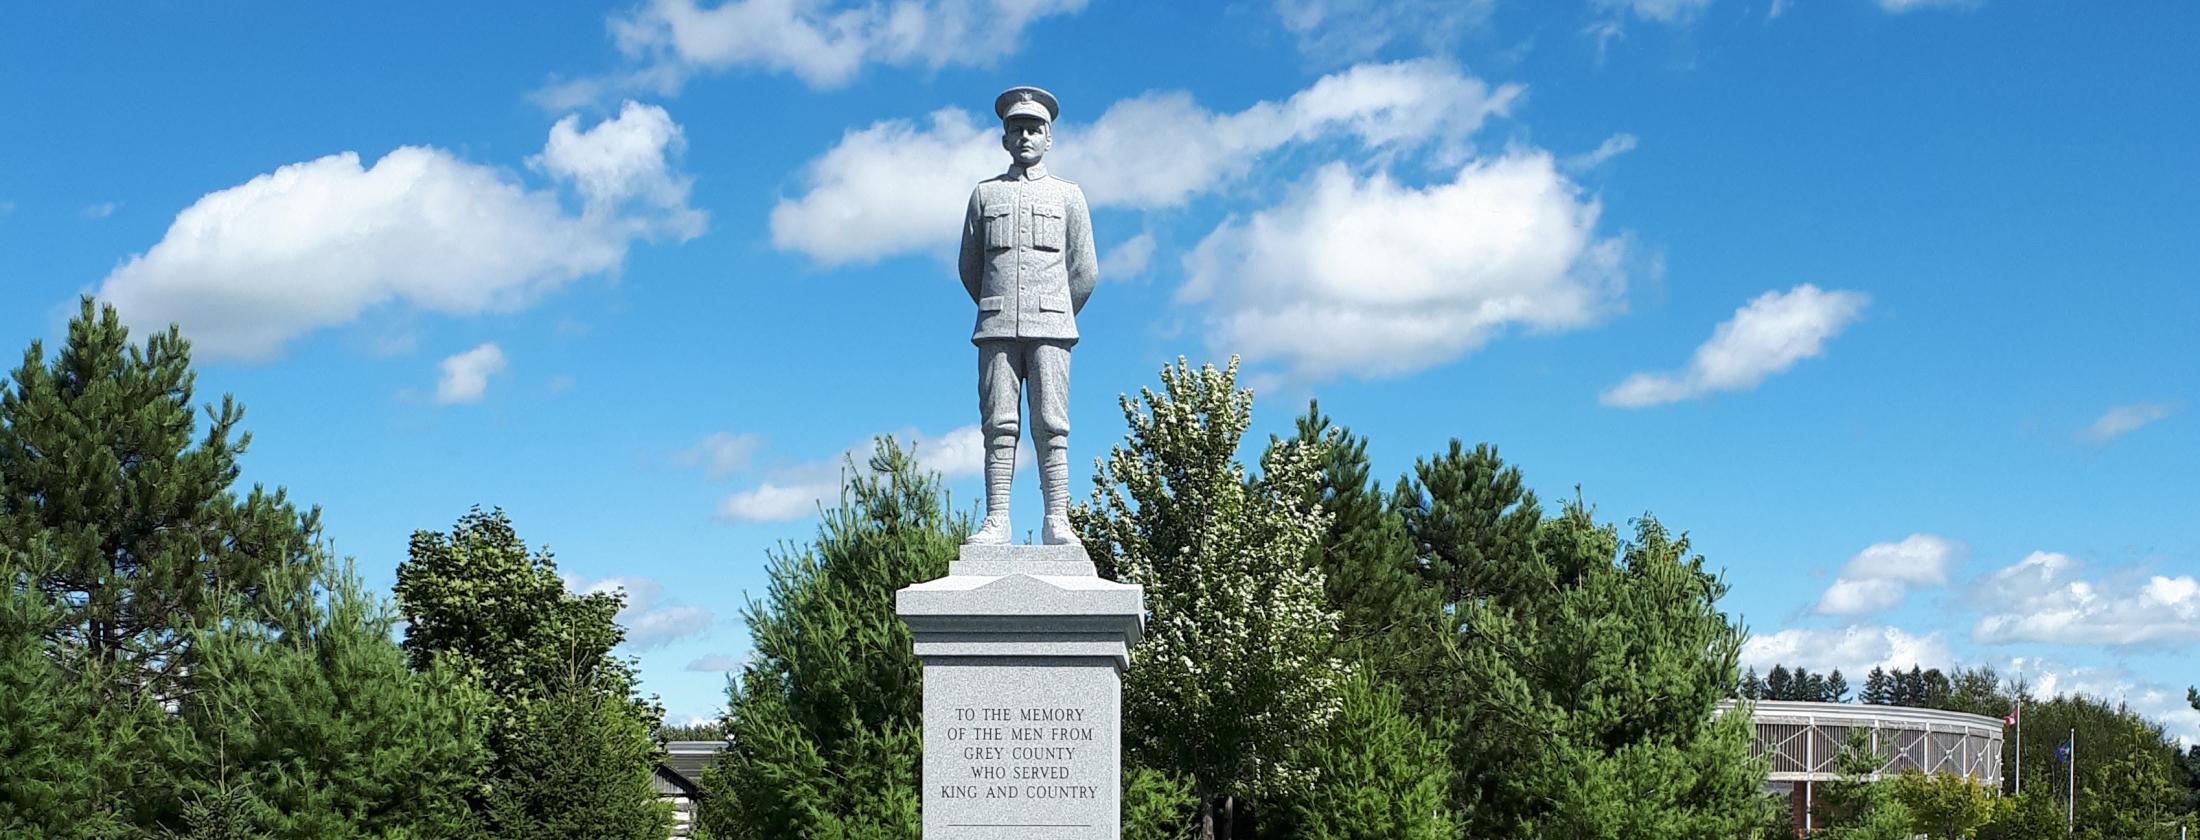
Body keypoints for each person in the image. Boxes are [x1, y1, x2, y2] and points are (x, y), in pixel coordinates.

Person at [958, 86, 1097, 545]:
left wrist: (1055, 308)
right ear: (1004, 137)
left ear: (1049, 138)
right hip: (997, 325)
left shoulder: (1069, 197)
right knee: (998, 424)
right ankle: (997, 519)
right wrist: (999, 303)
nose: (1025, 136)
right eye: (1016, 128)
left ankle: (1057, 517)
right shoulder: (984, 195)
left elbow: (1084, 271)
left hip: (1052, 326)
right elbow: (971, 267)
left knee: (1052, 424)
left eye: (1034, 129)